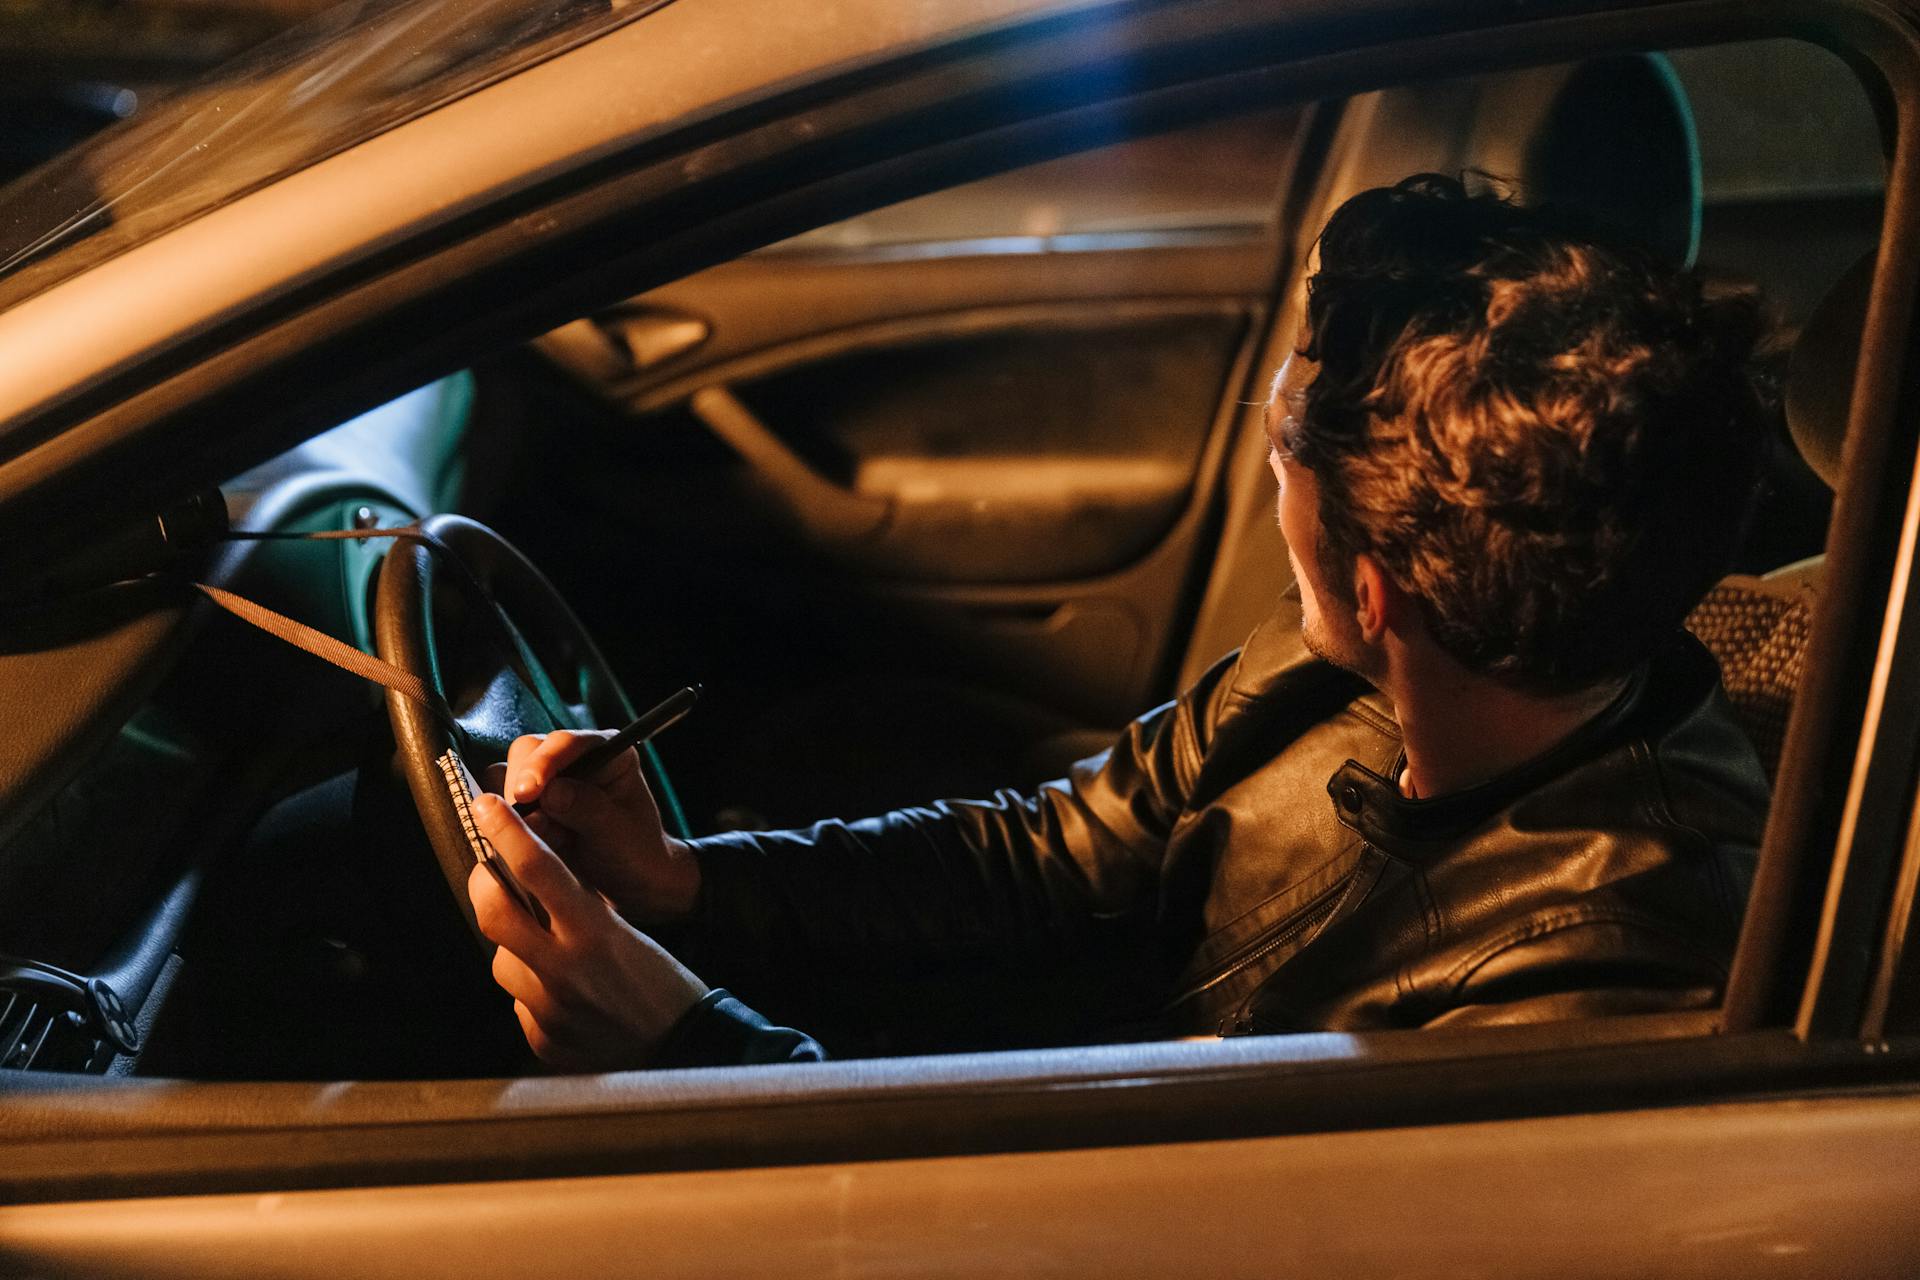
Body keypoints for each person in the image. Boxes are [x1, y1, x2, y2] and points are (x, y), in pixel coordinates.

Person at [463, 174, 1773, 1071]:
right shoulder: (1378, 657)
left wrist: (691, 1052)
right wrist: (686, 879)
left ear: (1378, 592)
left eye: (1284, 440)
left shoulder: (1594, 988)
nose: (1273, 445)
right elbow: (1059, 852)